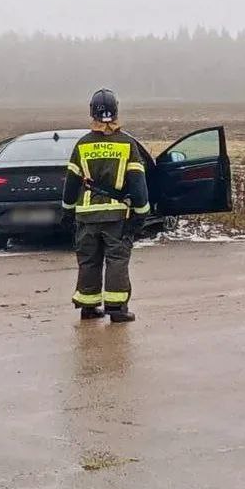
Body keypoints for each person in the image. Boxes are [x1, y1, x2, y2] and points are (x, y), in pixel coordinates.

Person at [60, 88, 151, 323]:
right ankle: (117, 308)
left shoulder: (82, 145)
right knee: (117, 260)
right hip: (116, 217)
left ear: (92, 112)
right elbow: (138, 183)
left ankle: (88, 308)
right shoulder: (126, 144)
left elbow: (71, 183)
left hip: (86, 216)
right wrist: (141, 214)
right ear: (116, 111)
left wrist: (67, 211)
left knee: (89, 260)